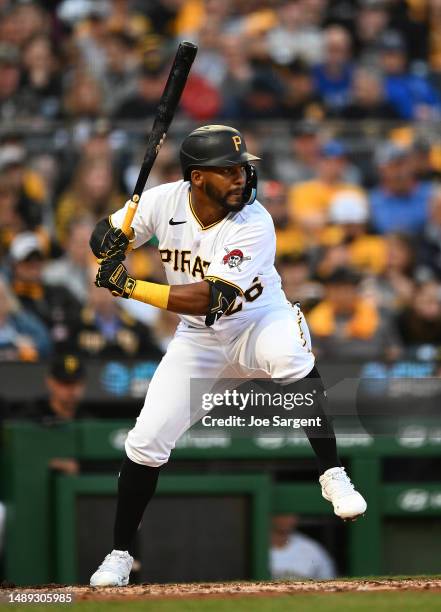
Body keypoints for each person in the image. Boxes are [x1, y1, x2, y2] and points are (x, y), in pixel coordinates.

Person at [88, 125, 366, 587]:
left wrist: (130, 286)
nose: (241, 178)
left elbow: (212, 298)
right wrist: (109, 242)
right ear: (198, 178)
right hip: (198, 342)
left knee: (290, 356)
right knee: (145, 442)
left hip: (258, 320)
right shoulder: (160, 201)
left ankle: (332, 472)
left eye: (243, 168)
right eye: (229, 171)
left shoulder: (255, 221)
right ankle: (119, 554)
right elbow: (103, 236)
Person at [270, 514, 337, 580]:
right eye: (283, 514)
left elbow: (329, 581)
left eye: (290, 514)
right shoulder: (260, 547)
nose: (286, 519)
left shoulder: (311, 548)